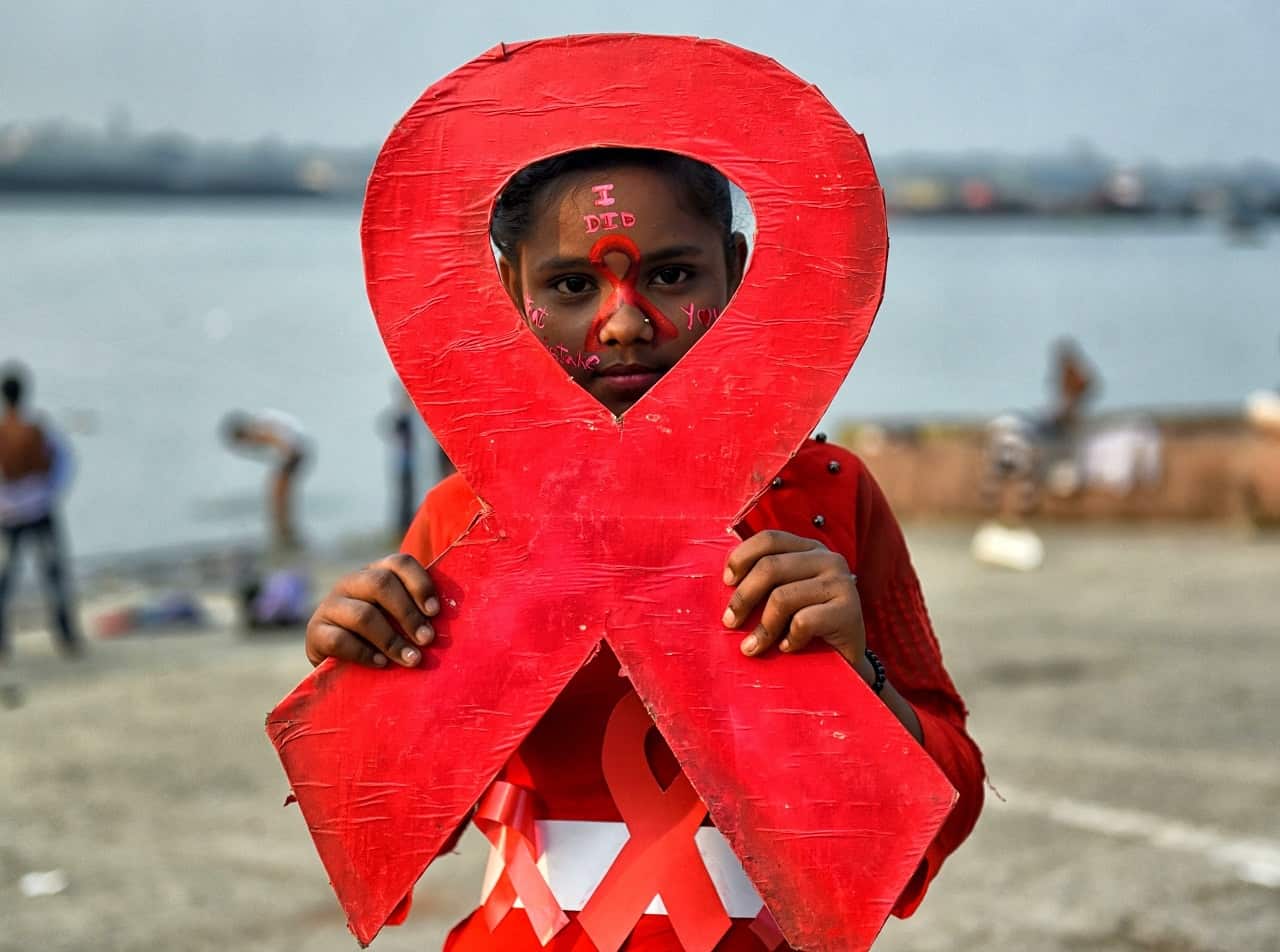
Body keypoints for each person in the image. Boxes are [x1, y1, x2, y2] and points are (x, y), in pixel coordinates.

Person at [303, 149, 985, 949]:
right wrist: (357, 679)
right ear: (506, 292)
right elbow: (390, 826)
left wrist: (860, 678)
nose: (624, 322)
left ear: (736, 271)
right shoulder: (465, 523)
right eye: (570, 286)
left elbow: (950, 799)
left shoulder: (825, 499)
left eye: (669, 277)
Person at [0, 363, 83, 660]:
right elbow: (64, 461)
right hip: (39, 507)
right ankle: (66, 633)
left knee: (6, 576)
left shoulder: (4, 431)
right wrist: (50, 492)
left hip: (10, 512)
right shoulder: (36, 429)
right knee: (54, 571)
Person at [221, 409, 310, 550]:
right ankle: (285, 532)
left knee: (278, 496)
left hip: (294, 451)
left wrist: (284, 458)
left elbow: (277, 441)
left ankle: (284, 534)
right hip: (296, 449)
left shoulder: (257, 429)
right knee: (279, 495)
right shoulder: (258, 422)